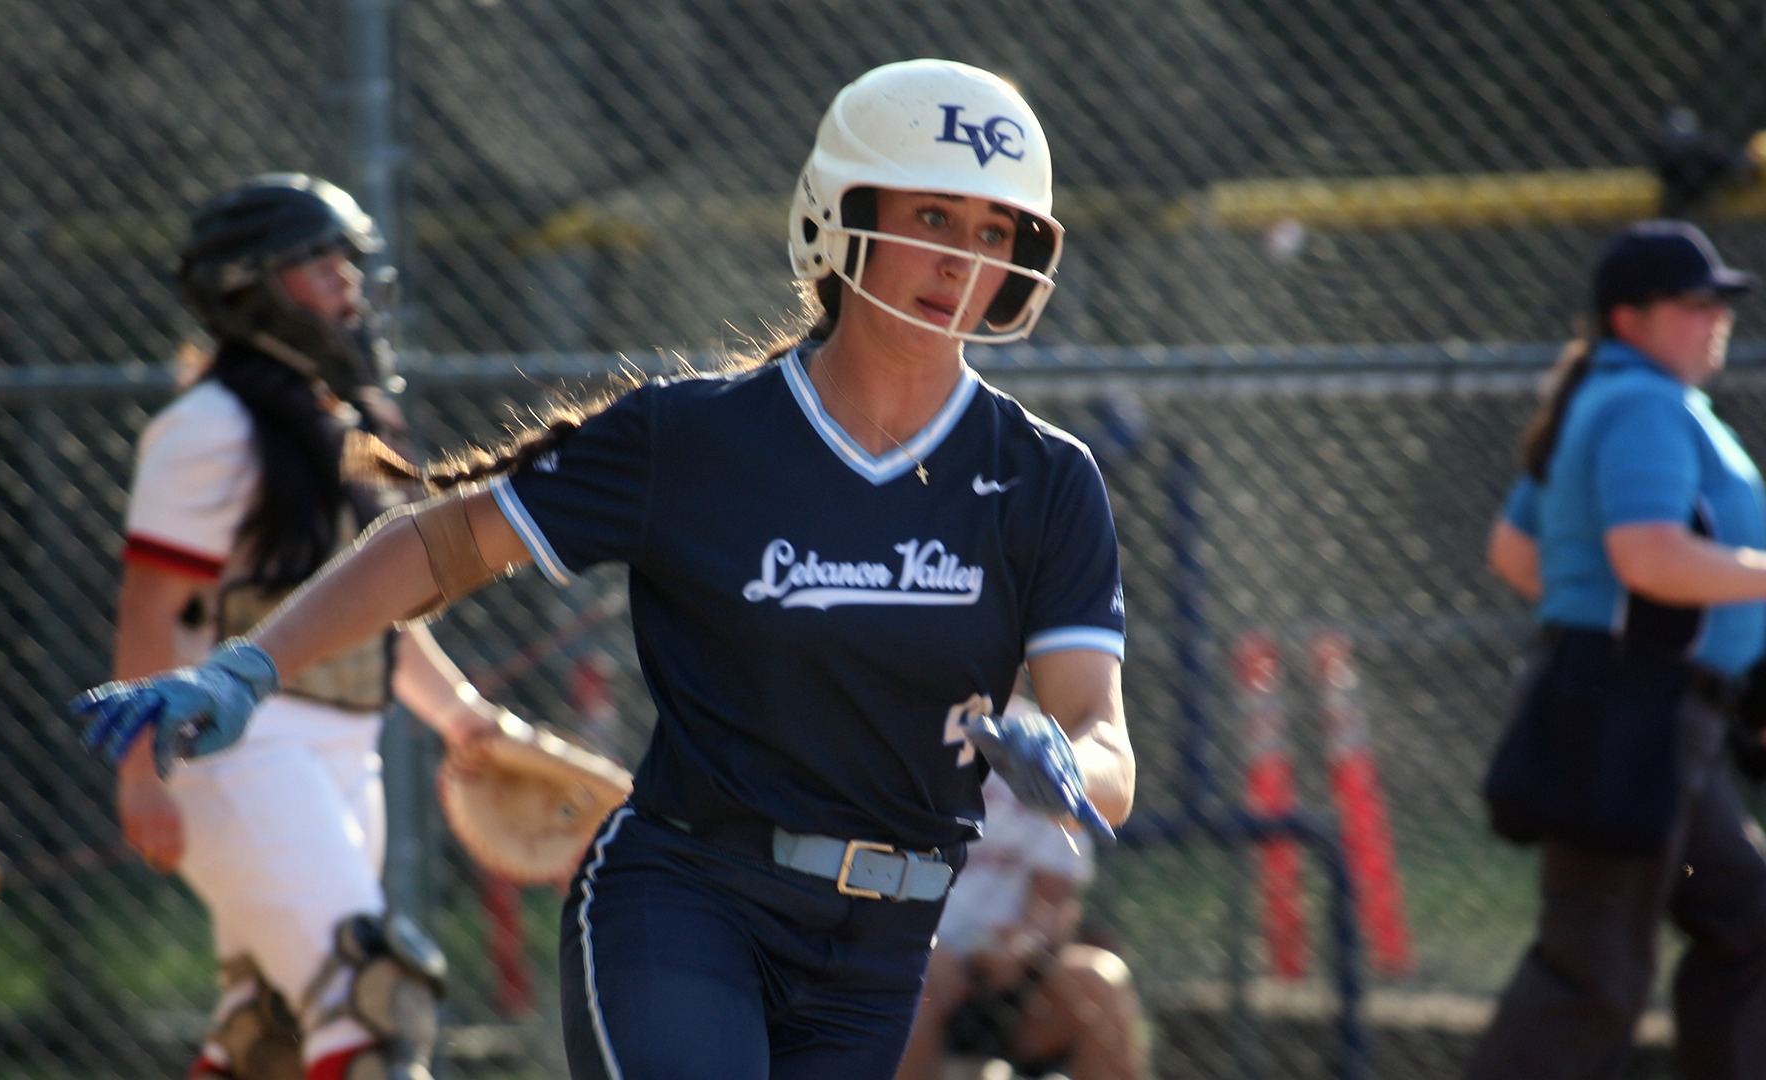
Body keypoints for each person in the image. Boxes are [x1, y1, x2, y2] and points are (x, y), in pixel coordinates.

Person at [75, 59, 1136, 1079]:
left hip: (886, 943)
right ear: (840, 216)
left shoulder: (1046, 479)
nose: (962, 258)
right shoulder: (699, 436)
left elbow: (1105, 741)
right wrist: (246, 670)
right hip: (691, 897)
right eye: (932, 218)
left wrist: (1069, 770)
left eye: (994, 231)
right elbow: (443, 541)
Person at [107, 173, 513, 1080]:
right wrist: (141, 775)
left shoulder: (346, 421)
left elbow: (370, 614)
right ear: (247, 286)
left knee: (270, 1041)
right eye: (318, 265)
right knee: (375, 1002)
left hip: (339, 754)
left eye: (348, 264)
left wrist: (458, 716)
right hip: (240, 749)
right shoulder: (208, 423)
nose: (348, 286)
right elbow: (151, 605)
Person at [1468, 220, 1766, 1079]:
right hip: (1633, 715)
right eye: (1693, 303)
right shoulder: (1643, 401)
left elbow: (1518, 552)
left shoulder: (1607, 391)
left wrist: (1599, 621)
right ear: (1629, 318)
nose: (1716, 317)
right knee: (1593, 970)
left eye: (1722, 303)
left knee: (1746, 919)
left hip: (1650, 709)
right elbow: (1648, 555)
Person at [896, 765, 1147, 1080]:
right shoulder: (910, 756)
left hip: (1025, 977)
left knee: (1102, 983)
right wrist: (926, 947)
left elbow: (1057, 898)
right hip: (929, 965)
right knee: (912, 982)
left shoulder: (1039, 762)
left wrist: (1024, 944)